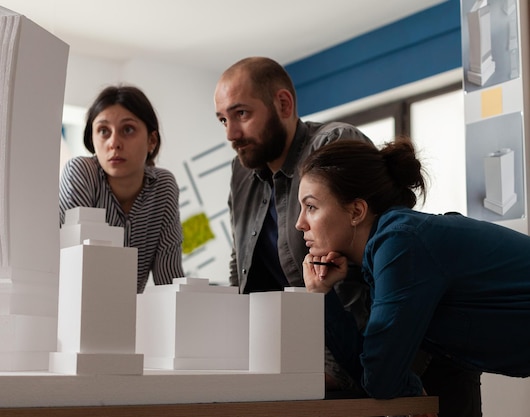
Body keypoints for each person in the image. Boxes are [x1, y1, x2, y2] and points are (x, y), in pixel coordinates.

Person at [297, 138, 530, 415]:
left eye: (311, 207)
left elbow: (380, 377)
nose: (299, 223)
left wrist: (403, 386)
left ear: (356, 211)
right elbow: (371, 370)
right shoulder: (384, 254)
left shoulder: (400, 244)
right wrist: (323, 295)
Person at [213, 56, 371, 391]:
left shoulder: (332, 145)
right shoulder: (241, 172)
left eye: (241, 114)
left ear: (283, 104)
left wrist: (334, 373)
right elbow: (238, 265)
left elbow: (354, 278)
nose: (231, 134)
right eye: (222, 119)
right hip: (279, 354)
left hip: (352, 351)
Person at [59, 85, 184, 293]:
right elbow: (76, 271)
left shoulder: (163, 186)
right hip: (70, 309)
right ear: (92, 139)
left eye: (128, 130)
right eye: (103, 131)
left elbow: (168, 281)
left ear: (151, 140)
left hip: (129, 317)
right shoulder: (82, 173)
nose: (114, 143)